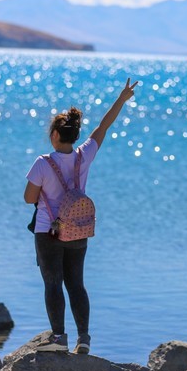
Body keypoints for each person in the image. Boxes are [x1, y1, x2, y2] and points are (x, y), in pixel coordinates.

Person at [23, 78, 138, 354]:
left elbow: (29, 198)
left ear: (54, 135)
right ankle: (83, 338)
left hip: (48, 232)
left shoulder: (42, 163)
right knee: (76, 284)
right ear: (75, 136)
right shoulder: (84, 156)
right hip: (78, 231)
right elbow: (103, 127)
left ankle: (59, 339)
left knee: (53, 284)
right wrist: (122, 99)